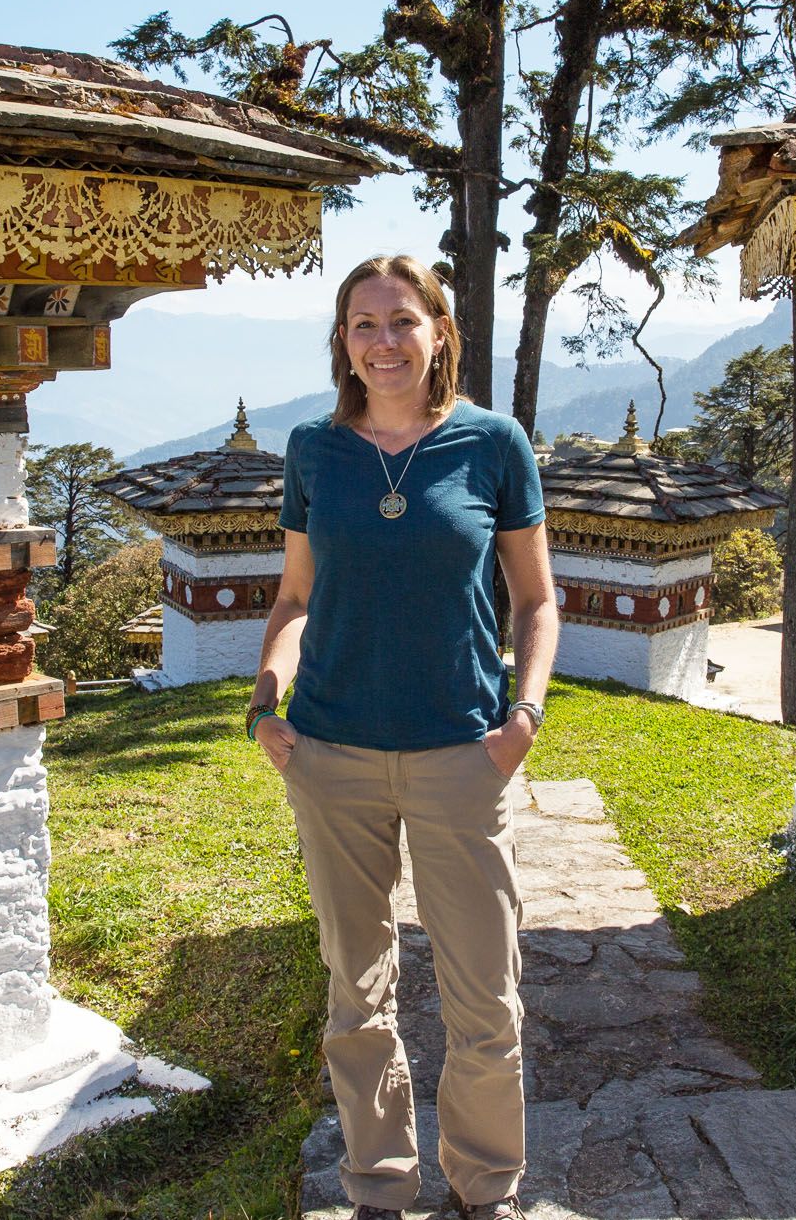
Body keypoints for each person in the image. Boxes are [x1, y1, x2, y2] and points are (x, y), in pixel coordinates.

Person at [246, 254, 557, 1220]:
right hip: (331, 756)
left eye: (401, 321)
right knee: (357, 990)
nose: (383, 342)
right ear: (343, 341)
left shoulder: (492, 445)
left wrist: (523, 718)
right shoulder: (313, 451)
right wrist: (267, 704)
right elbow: (295, 596)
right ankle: (381, 1187)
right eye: (363, 324)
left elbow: (537, 599)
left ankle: (485, 1188)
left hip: (464, 754)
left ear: (438, 332)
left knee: (484, 999)